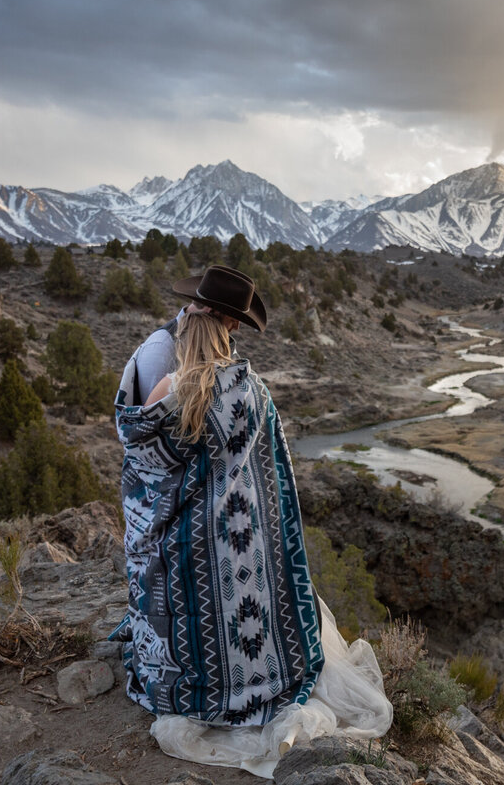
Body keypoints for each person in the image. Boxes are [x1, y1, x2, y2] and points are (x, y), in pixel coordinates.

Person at [114, 269, 391, 778]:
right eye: (236, 325)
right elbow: (266, 479)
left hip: (179, 553)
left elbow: (143, 468)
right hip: (231, 554)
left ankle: (182, 665)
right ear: (226, 329)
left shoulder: (163, 383)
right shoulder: (252, 390)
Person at [119, 265, 257, 406]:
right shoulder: (162, 347)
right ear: (212, 312)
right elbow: (148, 418)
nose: (237, 327)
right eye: (233, 319)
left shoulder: (223, 345)